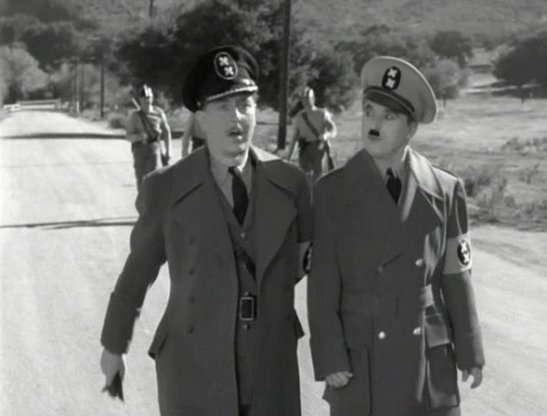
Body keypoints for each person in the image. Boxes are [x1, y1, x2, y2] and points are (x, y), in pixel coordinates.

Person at [99, 45, 312, 416]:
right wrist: (114, 346)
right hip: (193, 363)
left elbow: (303, 264)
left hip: (270, 364)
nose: (236, 117)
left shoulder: (291, 183)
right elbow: (136, 275)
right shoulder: (166, 187)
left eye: (245, 104)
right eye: (222, 107)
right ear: (201, 119)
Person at [307, 56, 485, 416]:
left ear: (411, 128)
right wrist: (330, 355)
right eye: (369, 112)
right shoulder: (331, 192)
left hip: (426, 356)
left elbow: (456, 277)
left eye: (388, 117)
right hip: (362, 357)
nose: (374, 125)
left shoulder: (446, 189)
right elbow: (322, 284)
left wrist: (469, 351)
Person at [286, 87, 337, 183]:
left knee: (318, 177)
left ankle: (317, 191)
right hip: (304, 149)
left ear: (313, 99)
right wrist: (288, 158)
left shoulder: (322, 114)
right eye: (303, 99)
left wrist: (326, 135)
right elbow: (294, 138)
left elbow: (333, 129)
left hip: (318, 148)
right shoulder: (300, 116)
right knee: (305, 177)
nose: (305, 101)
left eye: (307, 98)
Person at [126, 84, 172, 191]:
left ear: (152, 98)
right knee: (141, 179)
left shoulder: (158, 113)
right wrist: (139, 137)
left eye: (148, 97)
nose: (147, 100)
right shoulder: (135, 116)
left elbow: (166, 131)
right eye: (144, 98)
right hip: (139, 149)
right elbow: (128, 136)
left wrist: (168, 150)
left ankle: (153, 199)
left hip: (154, 148)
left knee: (153, 178)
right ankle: (143, 200)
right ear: (140, 99)